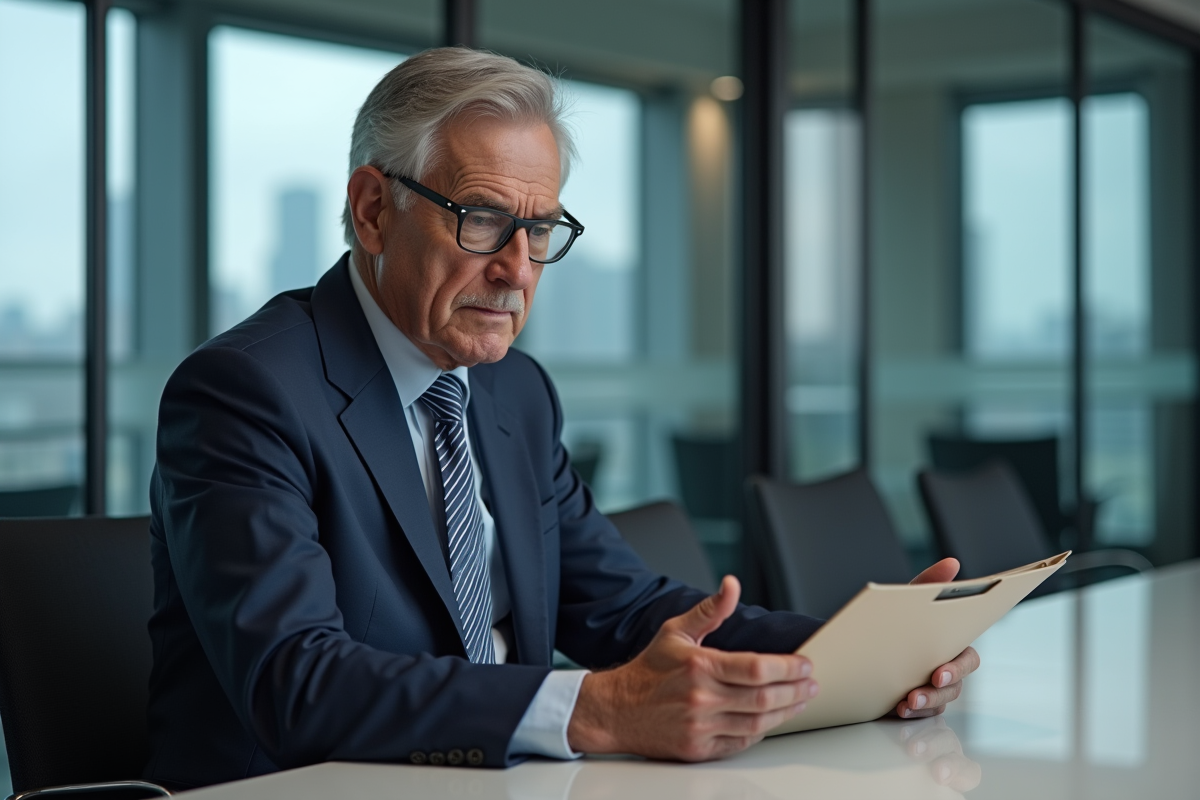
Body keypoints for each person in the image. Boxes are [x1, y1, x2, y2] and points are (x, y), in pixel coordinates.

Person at [144, 46, 978, 791]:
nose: (516, 271)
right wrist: (599, 709)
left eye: (539, 230)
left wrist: (865, 654)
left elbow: (619, 605)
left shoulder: (515, 392)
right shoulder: (243, 391)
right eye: (481, 220)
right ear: (372, 210)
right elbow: (297, 682)